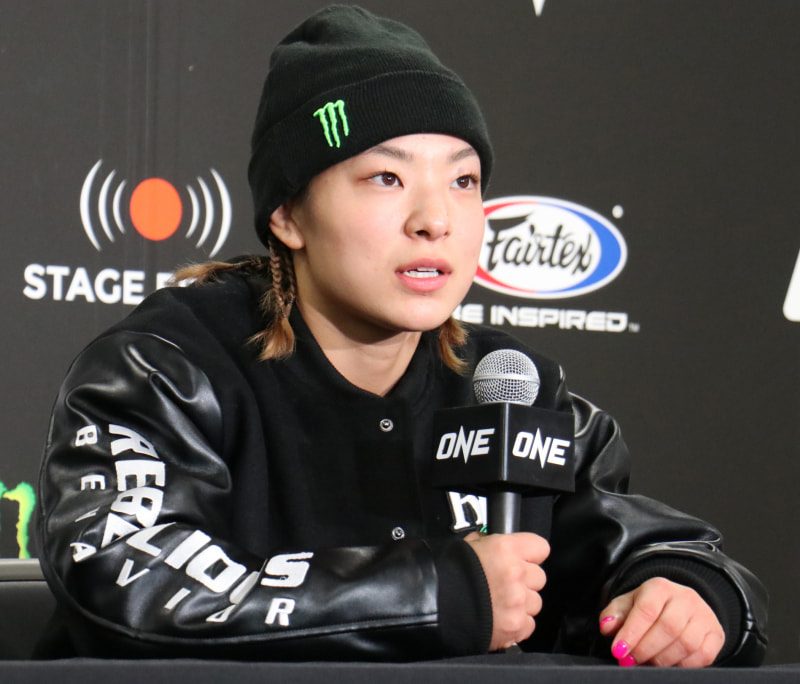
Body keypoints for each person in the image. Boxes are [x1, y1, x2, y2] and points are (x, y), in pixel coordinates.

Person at [37, 4, 767, 666]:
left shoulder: (512, 389)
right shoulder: (166, 368)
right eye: (386, 178)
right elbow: (126, 581)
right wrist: (443, 594)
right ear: (287, 215)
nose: (434, 220)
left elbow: (654, 548)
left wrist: (686, 593)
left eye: (463, 181)